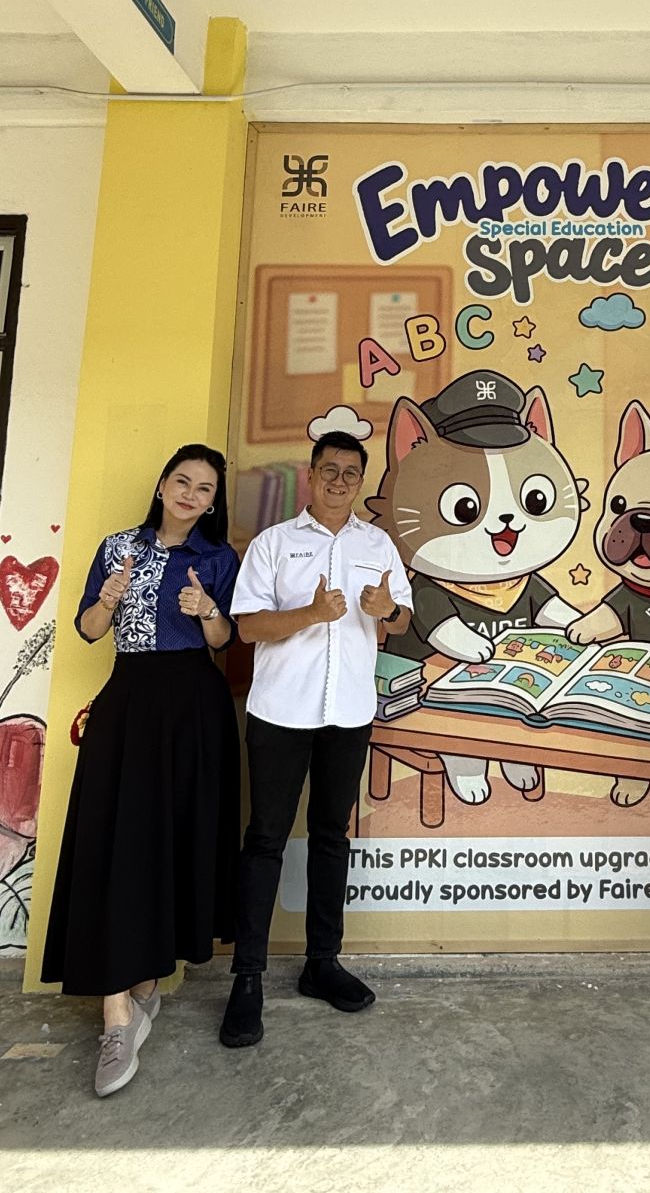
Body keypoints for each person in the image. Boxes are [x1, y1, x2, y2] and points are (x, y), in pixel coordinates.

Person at [42, 444, 241, 1097]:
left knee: (171, 842)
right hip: (128, 701)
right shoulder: (117, 547)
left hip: (193, 707)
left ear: (214, 500)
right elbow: (91, 629)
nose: (190, 494)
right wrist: (108, 597)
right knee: (115, 844)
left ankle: (148, 984)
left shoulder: (216, 558)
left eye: (204, 488)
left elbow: (223, 642)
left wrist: (206, 611)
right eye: (181, 481)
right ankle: (116, 1014)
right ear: (161, 484)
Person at [220, 430, 412, 1048]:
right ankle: (246, 979)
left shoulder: (377, 543)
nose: (338, 481)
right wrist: (311, 613)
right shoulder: (275, 544)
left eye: (350, 473)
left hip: (349, 715)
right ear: (310, 475)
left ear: (361, 481)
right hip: (280, 714)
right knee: (266, 840)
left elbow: (402, 618)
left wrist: (386, 607)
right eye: (328, 470)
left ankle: (321, 964)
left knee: (332, 837)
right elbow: (247, 627)